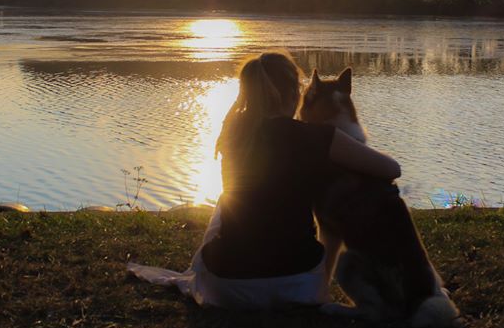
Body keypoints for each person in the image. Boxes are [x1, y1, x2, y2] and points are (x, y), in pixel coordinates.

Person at [127, 51, 400, 309]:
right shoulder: (315, 137)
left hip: (227, 287)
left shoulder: (232, 133)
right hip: (300, 286)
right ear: (294, 93)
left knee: (228, 201)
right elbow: (391, 169)